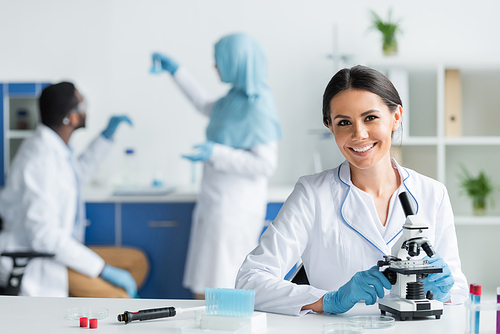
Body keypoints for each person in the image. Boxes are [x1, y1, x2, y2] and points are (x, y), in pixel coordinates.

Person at [235, 65, 468, 315]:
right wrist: (330, 300)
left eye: (370, 118)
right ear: (330, 127)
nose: (359, 134)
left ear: (396, 117)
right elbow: (250, 281)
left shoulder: (433, 193)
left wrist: (443, 290)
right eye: (344, 122)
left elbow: (456, 289)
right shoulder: (312, 194)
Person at [151, 33, 282, 299]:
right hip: (217, 204)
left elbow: (266, 165)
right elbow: (204, 105)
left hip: (234, 210)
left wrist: (217, 153)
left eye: (219, 60)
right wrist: (177, 71)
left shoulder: (258, 106)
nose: (215, 67)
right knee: (206, 284)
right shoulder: (233, 99)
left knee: (220, 286)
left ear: (237, 61)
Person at [0, 82, 149, 298]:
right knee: (120, 300)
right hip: (39, 260)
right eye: (81, 102)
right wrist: (102, 270)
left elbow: (76, 176)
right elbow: (44, 236)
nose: (86, 107)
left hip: (59, 251)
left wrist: (106, 136)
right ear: (72, 117)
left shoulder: (54, 148)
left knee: (137, 263)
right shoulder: (39, 160)